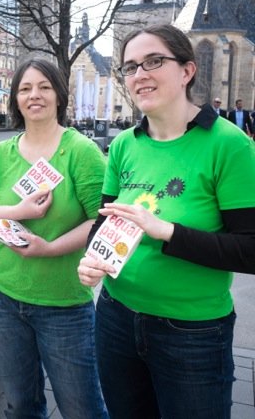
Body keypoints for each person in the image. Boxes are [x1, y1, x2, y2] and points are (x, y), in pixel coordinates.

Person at [78, 24, 255, 418]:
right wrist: (92, 259)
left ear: (187, 71)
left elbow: (251, 250)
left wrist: (166, 232)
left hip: (192, 332)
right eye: (130, 67)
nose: (140, 74)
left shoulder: (229, 144)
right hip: (115, 316)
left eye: (154, 61)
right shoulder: (124, 144)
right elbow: (103, 224)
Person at [0, 58, 108, 419]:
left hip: (63, 305)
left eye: (44, 87)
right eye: (25, 88)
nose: (35, 95)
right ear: (15, 99)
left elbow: (100, 220)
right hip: (3, 299)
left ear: (59, 95)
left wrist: (51, 248)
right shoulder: (1, 154)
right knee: (21, 405)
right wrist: (19, 211)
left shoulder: (80, 151)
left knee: (83, 409)